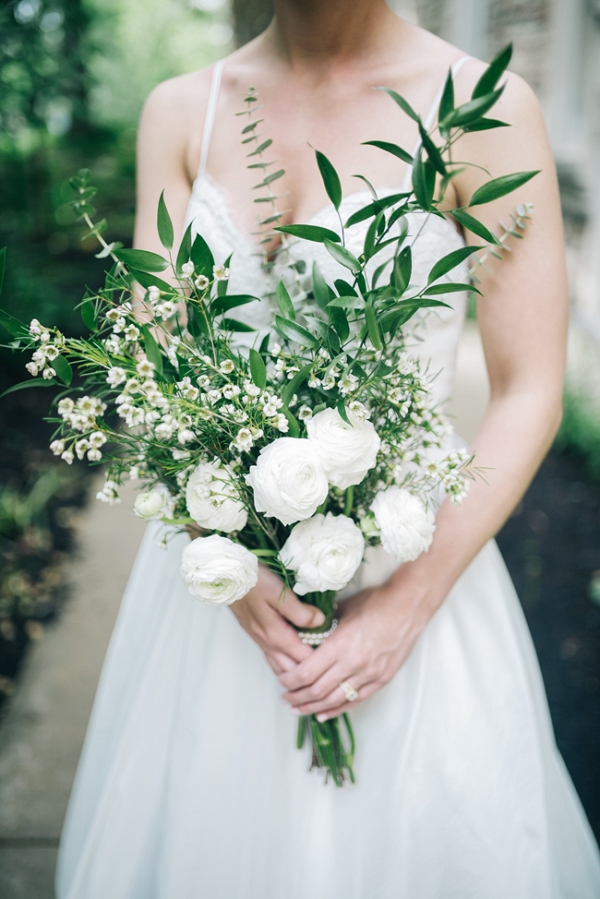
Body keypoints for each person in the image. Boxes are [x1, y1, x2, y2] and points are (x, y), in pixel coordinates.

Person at [56, 1, 600, 896]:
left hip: (408, 567)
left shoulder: (481, 109)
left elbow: (531, 386)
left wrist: (405, 610)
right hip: (225, 602)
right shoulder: (182, 110)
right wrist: (218, 551)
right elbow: (158, 370)